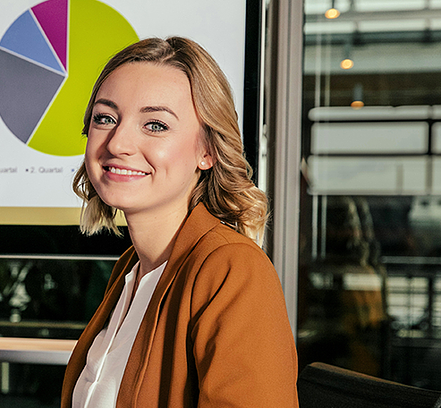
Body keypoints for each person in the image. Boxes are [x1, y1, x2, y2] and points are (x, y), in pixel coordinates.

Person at [61, 37, 298, 407]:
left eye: (155, 125)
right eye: (105, 118)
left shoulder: (232, 268)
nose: (118, 143)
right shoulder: (131, 268)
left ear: (208, 150)